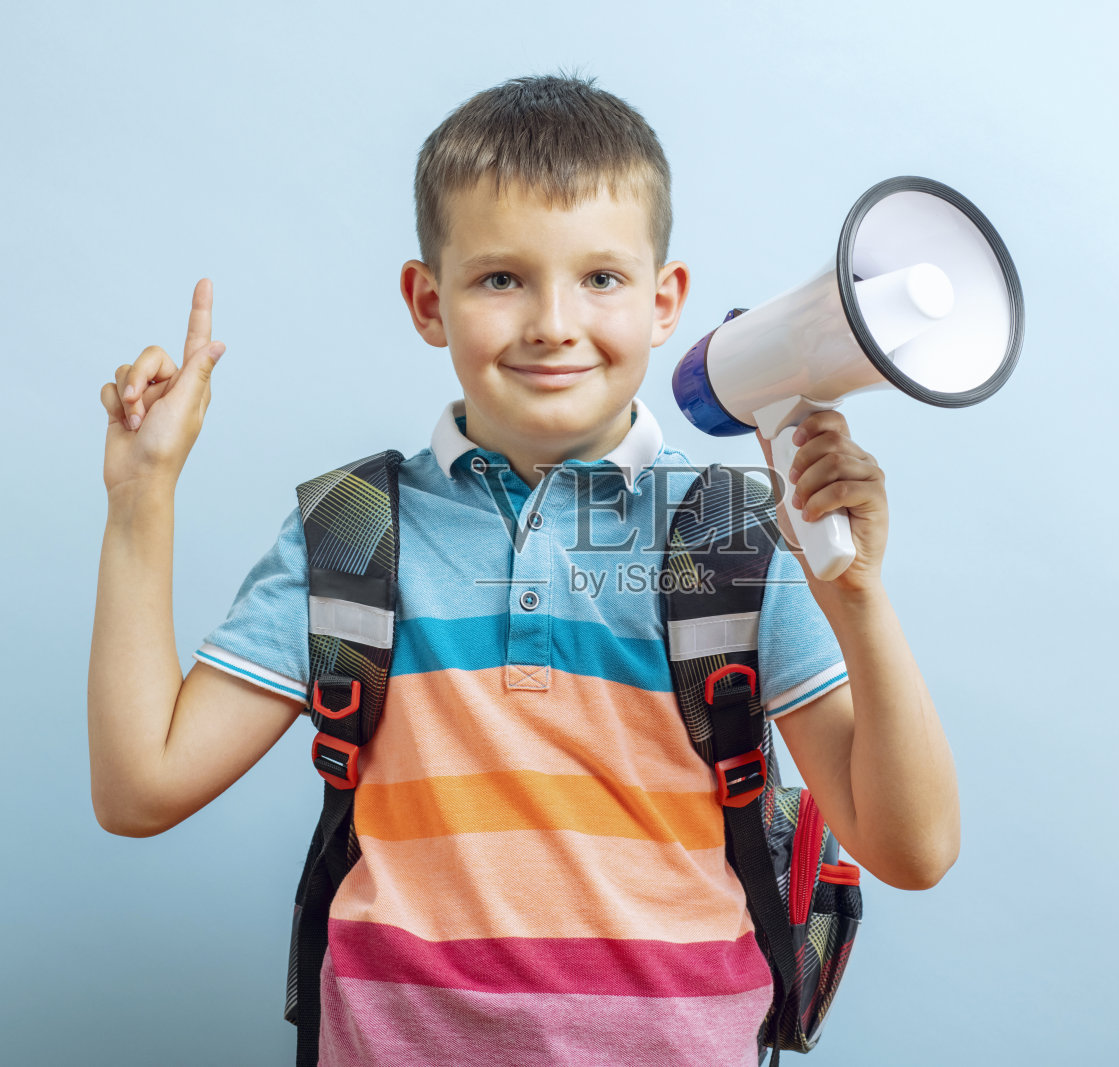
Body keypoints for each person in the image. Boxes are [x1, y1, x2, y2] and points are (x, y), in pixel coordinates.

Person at [89, 73, 959, 1066]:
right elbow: (139, 789)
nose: (552, 321)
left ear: (665, 299)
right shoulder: (355, 529)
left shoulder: (731, 535)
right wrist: (141, 493)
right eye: (502, 278)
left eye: (600, 278)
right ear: (428, 300)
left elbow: (912, 846)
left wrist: (857, 596)